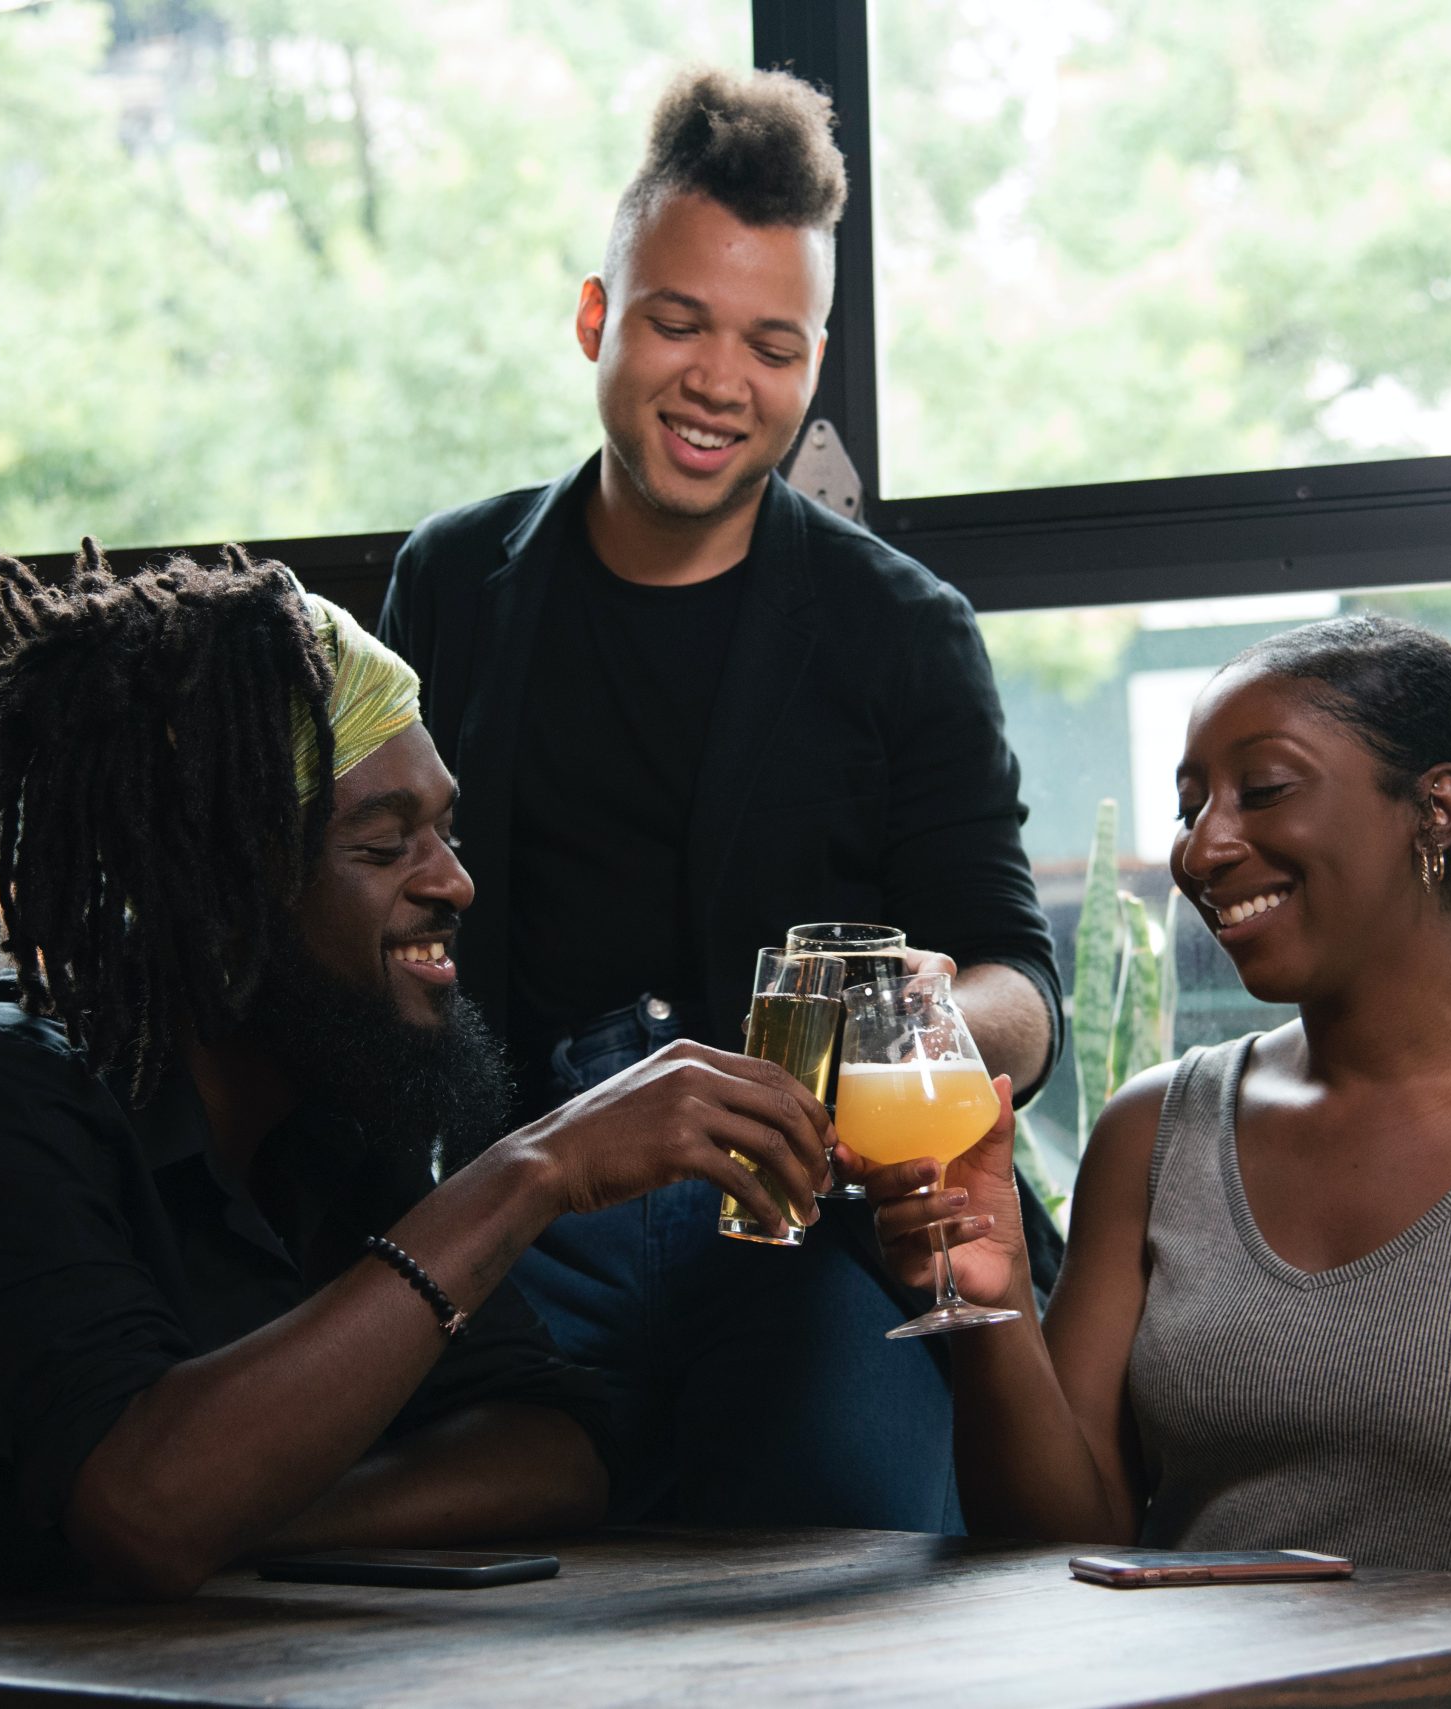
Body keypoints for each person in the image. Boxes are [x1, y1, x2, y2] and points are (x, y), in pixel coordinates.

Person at [0, 543, 831, 1626]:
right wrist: (533, 1169)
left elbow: (558, 1447)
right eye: (384, 845)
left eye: (443, 827)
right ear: (225, 889)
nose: (455, 879)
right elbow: (151, 1509)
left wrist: (262, 1513)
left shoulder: (326, 1110)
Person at [378, 67, 1063, 1533]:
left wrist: (929, 1012)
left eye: (772, 343)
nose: (718, 381)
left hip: (809, 1231)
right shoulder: (449, 584)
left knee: (853, 1585)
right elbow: (368, 913)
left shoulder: (902, 627)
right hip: (527, 1210)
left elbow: (1027, 992)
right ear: (594, 321)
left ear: (813, 361)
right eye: (677, 321)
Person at [863, 614, 1451, 1603]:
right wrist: (988, 1300)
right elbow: (1053, 1549)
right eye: (1189, 804)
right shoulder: (1153, 1130)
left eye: (1263, 790)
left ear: (1434, 809)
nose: (1202, 847)